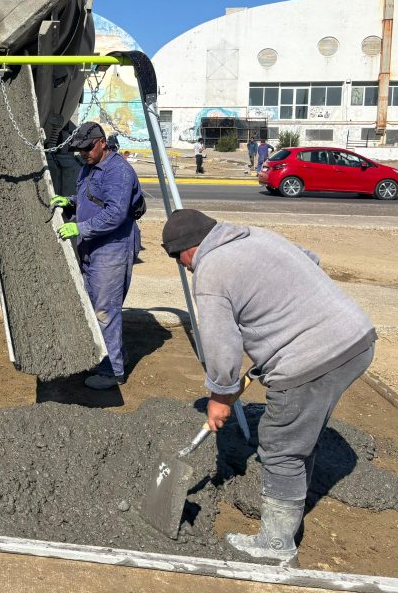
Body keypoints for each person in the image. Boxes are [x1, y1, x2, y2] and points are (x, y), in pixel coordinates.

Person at [160, 209, 376, 565]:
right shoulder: (255, 236)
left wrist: (220, 396)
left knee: (279, 445)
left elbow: (220, 344)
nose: (184, 267)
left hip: (313, 359)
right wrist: (280, 329)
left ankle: (276, 546)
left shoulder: (210, 271)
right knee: (299, 434)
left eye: (178, 259)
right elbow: (309, 261)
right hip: (356, 339)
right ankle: (290, 506)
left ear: (187, 249)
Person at [50, 122, 143, 390]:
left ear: (102, 142)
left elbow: (115, 213)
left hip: (113, 247)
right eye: (79, 150)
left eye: (88, 148)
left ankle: (112, 371)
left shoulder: (118, 171)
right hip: (93, 245)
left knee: (105, 309)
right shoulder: (89, 167)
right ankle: (114, 356)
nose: (84, 153)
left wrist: (80, 228)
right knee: (94, 306)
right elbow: (91, 199)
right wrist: (70, 202)